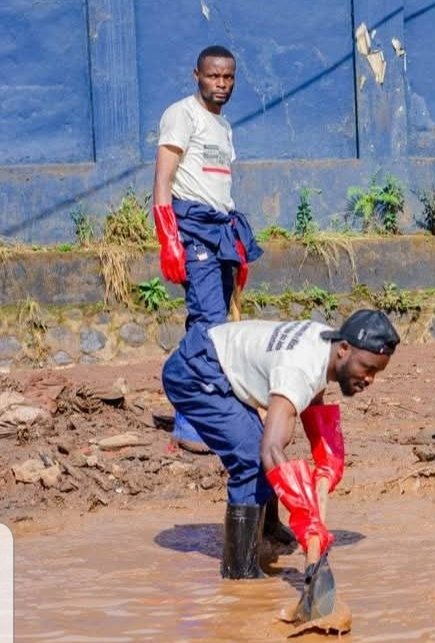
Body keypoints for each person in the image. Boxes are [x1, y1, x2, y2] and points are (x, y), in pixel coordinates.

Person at [161, 309, 400, 579]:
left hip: (216, 359)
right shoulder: (298, 370)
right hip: (195, 373)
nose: (370, 379)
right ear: (344, 349)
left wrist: (327, 459)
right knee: (253, 456)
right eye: (367, 368)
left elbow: (313, 397)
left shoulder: (323, 343)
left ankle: (267, 528)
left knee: (265, 443)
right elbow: (270, 451)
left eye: (376, 372)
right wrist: (307, 521)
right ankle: (239, 570)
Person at [152, 45, 263, 454]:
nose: (222, 84)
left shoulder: (224, 126)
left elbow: (219, 187)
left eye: (229, 77)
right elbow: (163, 179)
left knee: (214, 321)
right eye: (214, 76)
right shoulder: (182, 114)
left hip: (220, 229)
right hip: (192, 227)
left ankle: (196, 413)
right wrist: (168, 238)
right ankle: (191, 421)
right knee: (209, 322)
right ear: (196, 74)